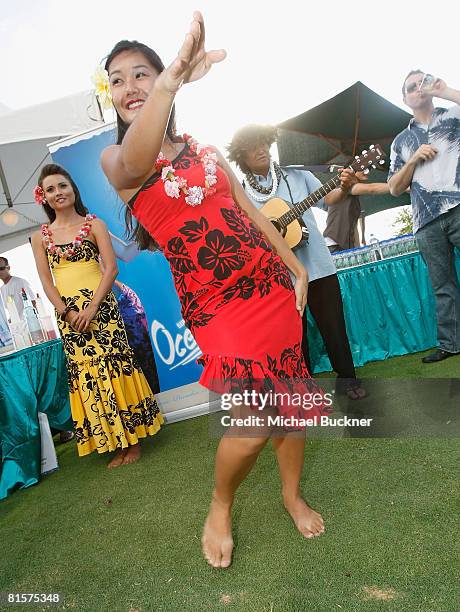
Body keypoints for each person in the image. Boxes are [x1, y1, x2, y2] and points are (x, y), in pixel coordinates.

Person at [101, 12, 330, 569]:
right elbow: (135, 157)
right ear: (110, 96)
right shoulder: (119, 162)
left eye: (141, 75)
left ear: (158, 81)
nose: (130, 86)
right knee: (252, 426)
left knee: (291, 404)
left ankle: (291, 494)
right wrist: (172, 77)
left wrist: (295, 269)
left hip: (271, 287)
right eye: (118, 79)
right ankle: (220, 504)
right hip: (216, 304)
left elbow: (250, 210)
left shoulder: (203, 147)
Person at [30, 164, 163, 467]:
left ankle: (134, 440)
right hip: (69, 318)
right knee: (89, 377)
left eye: (62, 186)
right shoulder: (41, 237)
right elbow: (46, 281)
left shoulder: (94, 225)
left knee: (115, 368)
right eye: (50, 189)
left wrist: (91, 308)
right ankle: (115, 442)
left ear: (73, 189)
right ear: (44, 198)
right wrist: (67, 312)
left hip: (101, 310)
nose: (58, 192)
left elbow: (112, 268)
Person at [227, 124, 366, 400]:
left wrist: (346, 186)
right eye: (254, 147)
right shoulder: (243, 195)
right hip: (281, 277)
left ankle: (347, 380)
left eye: (264, 143)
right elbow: (246, 237)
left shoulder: (296, 174)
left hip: (319, 265)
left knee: (334, 327)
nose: (262, 150)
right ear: (242, 157)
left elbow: (330, 199)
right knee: (294, 337)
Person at [388, 71, 460, 363]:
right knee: (443, 286)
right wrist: (414, 158)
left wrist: (445, 91)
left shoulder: (453, 116)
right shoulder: (401, 141)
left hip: (458, 206)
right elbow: (394, 187)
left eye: (422, 83)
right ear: (405, 98)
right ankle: (451, 344)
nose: (418, 88)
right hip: (426, 221)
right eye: (411, 87)